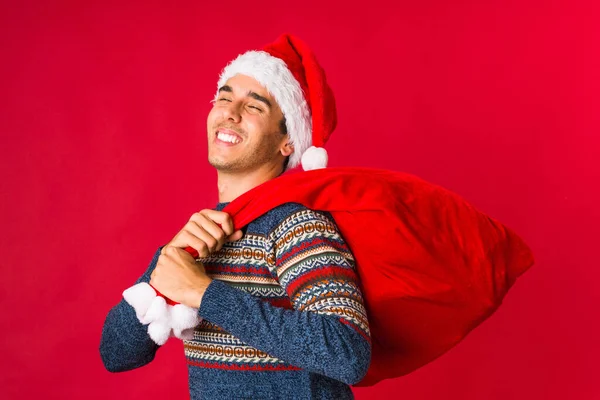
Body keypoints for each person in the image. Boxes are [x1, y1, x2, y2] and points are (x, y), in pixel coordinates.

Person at [99, 33, 371, 399]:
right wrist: (164, 269)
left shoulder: (296, 224)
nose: (230, 111)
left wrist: (203, 293)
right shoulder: (199, 235)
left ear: (286, 142)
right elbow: (115, 354)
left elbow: (348, 352)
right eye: (224, 98)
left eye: (254, 106)